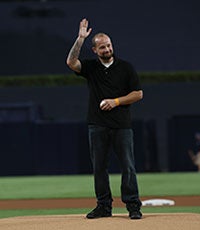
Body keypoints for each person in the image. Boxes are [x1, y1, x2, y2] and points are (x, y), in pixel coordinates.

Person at [66, 18, 143, 219]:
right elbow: (71, 63)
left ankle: (133, 206)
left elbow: (138, 94)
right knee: (99, 167)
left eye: (108, 45)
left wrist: (115, 101)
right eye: (102, 47)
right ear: (95, 50)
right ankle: (104, 206)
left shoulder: (126, 67)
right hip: (97, 125)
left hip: (121, 125)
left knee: (128, 166)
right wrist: (80, 39)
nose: (107, 49)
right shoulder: (91, 68)